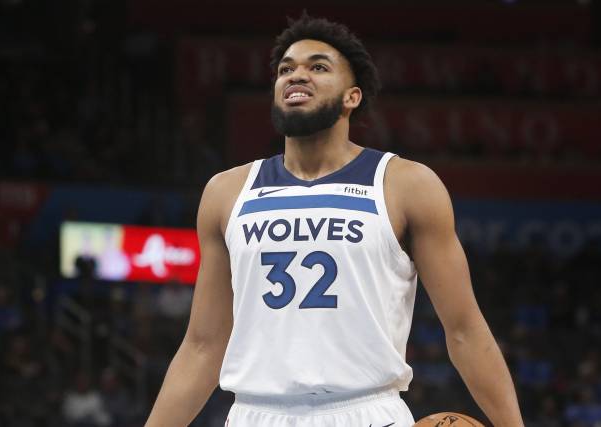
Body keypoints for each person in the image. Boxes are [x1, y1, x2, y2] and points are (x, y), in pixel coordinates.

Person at [146, 13, 524, 427]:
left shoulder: (406, 184)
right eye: (286, 69)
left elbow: (465, 330)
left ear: (352, 97)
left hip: (366, 411)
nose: (296, 75)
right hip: (256, 413)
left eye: (318, 67)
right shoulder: (226, 191)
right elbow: (203, 346)